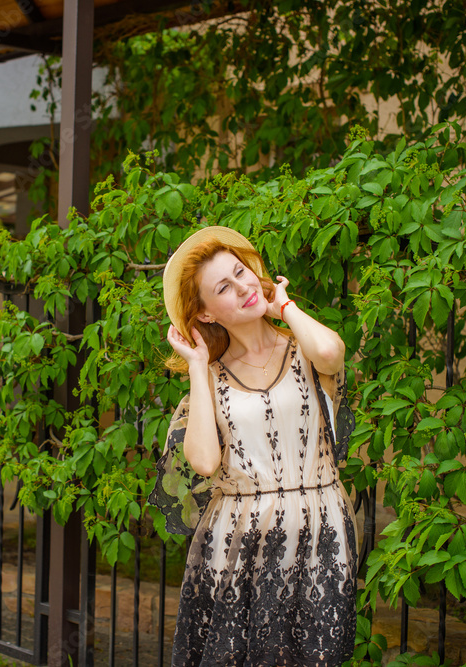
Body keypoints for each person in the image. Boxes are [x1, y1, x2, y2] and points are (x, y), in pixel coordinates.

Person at [148, 226, 359, 667]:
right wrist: (198, 366)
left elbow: (331, 353)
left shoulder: (304, 347)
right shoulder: (211, 379)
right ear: (205, 314)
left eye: (241, 272)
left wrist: (284, 306)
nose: (243, 287)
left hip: (322, 530)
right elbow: (203, 461)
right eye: (223, 287)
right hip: (238, 541)